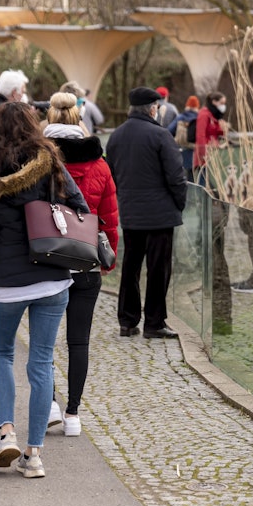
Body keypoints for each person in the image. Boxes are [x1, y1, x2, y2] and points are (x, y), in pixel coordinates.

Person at [0, 101, 89, 479]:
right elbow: (80, 206)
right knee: (42, 361)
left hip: (7, 283)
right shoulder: (51, 164)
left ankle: (6, 434)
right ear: (32, 127)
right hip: (53, 276)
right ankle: (34, 454)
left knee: (1, 355)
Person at [42, 92, 119, 436]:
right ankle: (73, 414)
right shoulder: (99, 164)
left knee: (42, 342)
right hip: (86, 259)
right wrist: (108, 258)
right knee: (79, 341)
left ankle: (49, 404)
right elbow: (110, 217)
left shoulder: (38, 159)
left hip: (45, 260)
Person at [104, 87, 187, 339]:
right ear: (152, 109)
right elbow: (176, 176)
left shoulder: (116, 136)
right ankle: (154, 322)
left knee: (130, 267)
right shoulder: (161, 135)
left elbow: (112, 174)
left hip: (131, 213)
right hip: (160, 215)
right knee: (158, 269)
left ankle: (127, 321)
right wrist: (179, 204)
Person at [193, 91, 229, 186]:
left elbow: (216, 133)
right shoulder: (204, 114)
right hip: (205, 155)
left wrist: (224, 129)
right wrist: (203, 153)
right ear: (214, 102)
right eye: (221, 103)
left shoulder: (214, 115)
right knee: (204, 183)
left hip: (214, 153)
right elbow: (200, 135)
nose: (223, 106)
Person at [168, 94, 200, 178]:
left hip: (181, 149)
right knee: (194, 175)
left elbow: (169, 130)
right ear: (197, 106)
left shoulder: (181, 117)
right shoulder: (200, 118)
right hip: (196, 150)